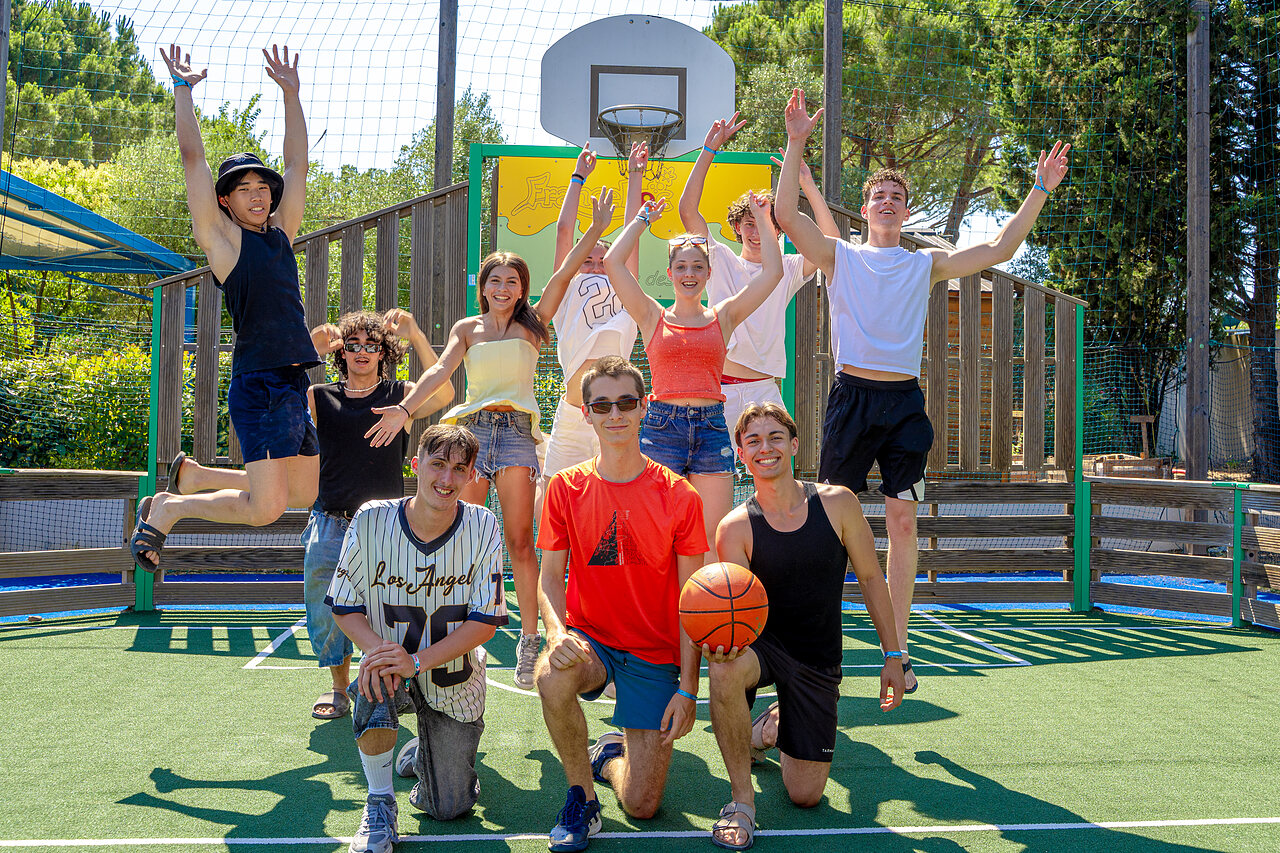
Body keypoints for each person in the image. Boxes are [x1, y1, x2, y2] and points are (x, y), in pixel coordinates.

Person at [775, 88, 1071, 693]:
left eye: (897, 196)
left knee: (904, 525)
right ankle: (813, 649)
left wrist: (1038, 188)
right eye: (878, 194)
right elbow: (785, 216)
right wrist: (797, 139)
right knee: (830, 527)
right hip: (851, 401)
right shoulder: (841, 257)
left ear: (906, 212)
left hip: (904, 405)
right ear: (865, 208)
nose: (888, 200)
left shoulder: (922, 264)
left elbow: (999, 248)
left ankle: (898, 651)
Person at [365, 190, 618, 691]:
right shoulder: (468, 328)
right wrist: (404, 409)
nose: (503, 288)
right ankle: (455, 637)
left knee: (521, 542)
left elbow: (566, 271)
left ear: (522, 290)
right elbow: (439, 370)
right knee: (464, 535)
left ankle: (529, 640)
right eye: (495, 280)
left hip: (518, 436)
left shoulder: (534, 325)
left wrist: (596, 222)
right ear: (483, 287)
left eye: (512, 281)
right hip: (473, 436)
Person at [166, 308, 454, 720]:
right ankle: (340, 689)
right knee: (326, 612)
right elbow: (276, 399)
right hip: (329, 520)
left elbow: (443, 393)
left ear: (383, 352)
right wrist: (308, 353)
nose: (361, 352)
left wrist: (416, 333)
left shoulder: (400, 399)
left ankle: (388, 684)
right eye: (352, 345)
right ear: (342, 353)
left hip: (387, 528)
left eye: (371, 346)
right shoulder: (319, 397)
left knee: (393, 613)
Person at [130, 44, 319, 571]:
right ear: (225, 201)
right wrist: (183, 90)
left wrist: (292, 96)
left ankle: (196, 477)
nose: (258, 195)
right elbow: (194, 158)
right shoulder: (223, 244)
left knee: (303, 494)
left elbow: (298, 162)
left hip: (292, 380)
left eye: (264, 187)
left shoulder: (282, 234)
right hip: (259, 384)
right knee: (266, 509)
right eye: (244, 189)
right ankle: (168, 508)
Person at [704, 402, 906, 849]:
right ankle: (741, 802)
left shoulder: (838, 503)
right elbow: (733, 610)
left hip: (816, 657)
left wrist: (894, 655)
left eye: (775, 437)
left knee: (805, 794)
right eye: (753, 440)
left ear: (794, 445)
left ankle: (768, 727)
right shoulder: (735, 528)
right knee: (722, 669)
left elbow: (872, 578)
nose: (765, 448)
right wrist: (718, 643)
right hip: (765, 647)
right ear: (741, 455)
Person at [535, 356, 706, 852]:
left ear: (645, 406)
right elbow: (549, 579)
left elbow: (692, 602)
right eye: (602, 405)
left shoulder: (680, 495)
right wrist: (555, 633)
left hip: (654, 654)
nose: (615, 414)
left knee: (642, 805)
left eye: (626, 402)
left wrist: (689, 688)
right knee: (551, 676)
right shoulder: (566, 488)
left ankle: (608, 755)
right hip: (592, 641)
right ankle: (581, 799)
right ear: (585, 413)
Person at [327, 424, 508, 853]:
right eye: (438, 464)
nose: (446, 479)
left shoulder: (483, 525)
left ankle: (420, 752)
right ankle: (379, 801)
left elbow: (485, 622)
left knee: (448, 807)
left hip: (453, 679)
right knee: (375, 672)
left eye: (458, 469)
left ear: (470, 478)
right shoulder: (372, 519)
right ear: (416, 464)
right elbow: (343, 604)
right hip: (392, 667)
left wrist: (417, 661)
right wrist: (380, 652)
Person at [601, 195, 783, 560]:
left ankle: (697, 617)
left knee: (710, 539)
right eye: (681, 266)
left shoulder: (723, 316)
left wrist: (764, 218)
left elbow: (773, 273)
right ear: (670, 274)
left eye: (697, 267)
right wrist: (641, 218)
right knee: (654, 534)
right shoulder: (652, 316)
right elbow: (612, 262)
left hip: (711, 430)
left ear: (708, 274)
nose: (688, 274)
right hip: (661, 428)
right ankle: (656, 617)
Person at [678, 115, 841, 435]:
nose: (756, 231)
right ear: (736, 227)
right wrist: (710, 149)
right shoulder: (719, 259)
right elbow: (687, 210)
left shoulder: (789, 267)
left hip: (763, 390)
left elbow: (831, 246)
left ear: (779, 229)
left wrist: (808, 185)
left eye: (766, 223)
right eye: (749, 223)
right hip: (716, 388)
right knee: (714, 478)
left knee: (772, 475)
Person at [535, 141, 645, 521]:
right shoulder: (566, 291)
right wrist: (578, 177)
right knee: (552, 504)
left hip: (617, 412)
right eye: (589, 258)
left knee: (616, 507)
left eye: (604, 257)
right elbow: (565, 231)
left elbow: (632, 231)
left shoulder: (624, 285)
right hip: (574, 409)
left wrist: (635, 175)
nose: (597, 263)